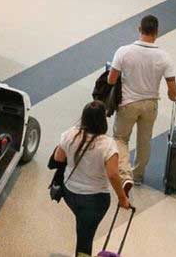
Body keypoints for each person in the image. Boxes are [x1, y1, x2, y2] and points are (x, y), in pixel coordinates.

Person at [51, 101, 131, 257]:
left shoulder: (70, 134)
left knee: (83, 228)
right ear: (103, 120)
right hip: (95, 201)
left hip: (70, 193)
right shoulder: (107, 145)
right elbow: (113, 174)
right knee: (85, 240)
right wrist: (122, 198)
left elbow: (58, 157)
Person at [108, 15, 176, 186]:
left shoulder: (124, 51)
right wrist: (174, 96)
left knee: (120, 139)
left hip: (127, 104)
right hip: (150, 105)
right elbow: (173, 90)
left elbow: (111, 80)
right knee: (144, 141)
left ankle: (125, 176)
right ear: (157, 32)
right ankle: (138, 176)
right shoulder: (164, 57)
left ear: (139, 29)